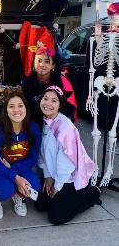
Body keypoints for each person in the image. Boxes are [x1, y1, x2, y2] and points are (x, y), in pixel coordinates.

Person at [34, 85, 101, 225]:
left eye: (54, 101)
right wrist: (47, 176)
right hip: (54, 175)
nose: (48, 103)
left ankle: (91, 194)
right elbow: (42, 153)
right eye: (45, 99)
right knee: (40, 206)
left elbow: (66, 163)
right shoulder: (44, 121)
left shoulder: (65, 128)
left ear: (60, 105)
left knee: (56, 217)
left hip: (71, 178)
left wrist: (57, 187)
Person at [0, 91, 41, 220]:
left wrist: (14, 172)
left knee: (34, 185)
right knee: (5, 191)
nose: (16, 110)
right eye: (11, 106)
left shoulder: (33, 128)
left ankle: (18, 197)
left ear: (26, 108)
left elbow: (33, 157)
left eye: (20, 105)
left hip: (19, 166)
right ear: (6, 110)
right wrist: (15, 176)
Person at [21, 47, 77, 123]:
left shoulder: (63, 83)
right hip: (33, 123)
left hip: (56, 123)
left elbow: (68, 110)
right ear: (33, 63)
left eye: (46, 62)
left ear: (53, 65)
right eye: (39, 61)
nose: (42, 65)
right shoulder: (26, 82)